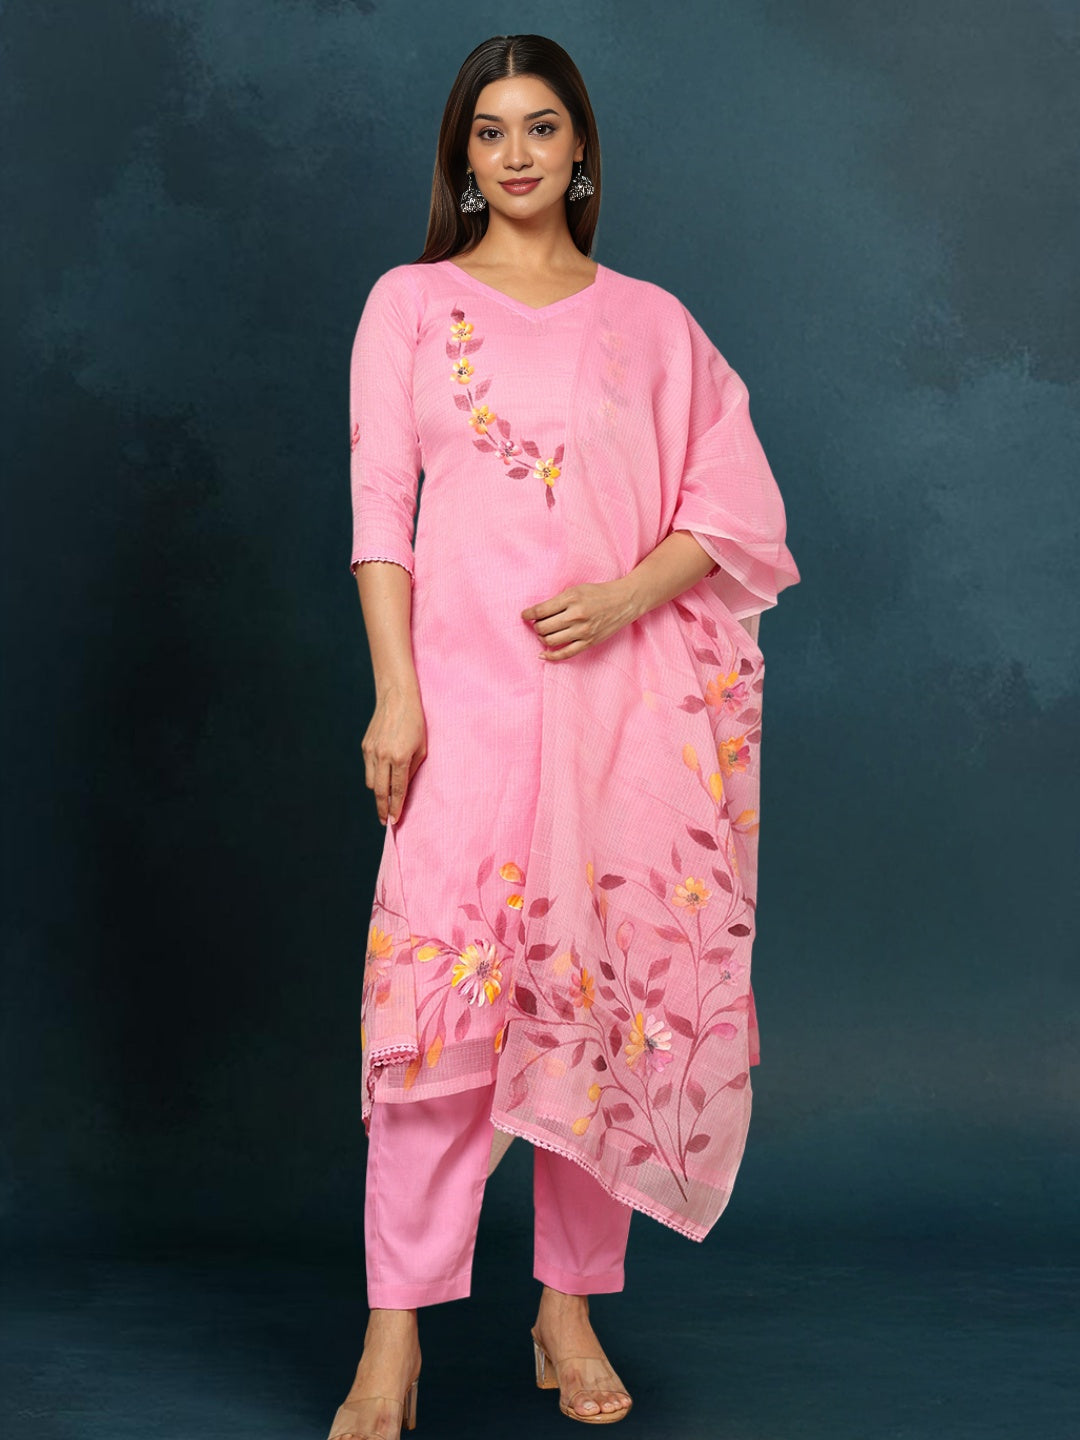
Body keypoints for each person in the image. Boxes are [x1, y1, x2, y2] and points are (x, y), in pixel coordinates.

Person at [329, 32, 801, 1440]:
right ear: (462, 158)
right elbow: (380, 513)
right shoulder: (410, 305)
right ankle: (394, 1334)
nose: (517, 153)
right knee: (435, 1026)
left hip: (616, 727)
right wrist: (397, 693)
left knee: (598, 1012)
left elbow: (736, 507)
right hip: (463, 715)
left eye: (541, 126)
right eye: (490, 131)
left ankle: (569, 1306)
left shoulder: (651, 323)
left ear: (580, 148)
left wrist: (626, 596)